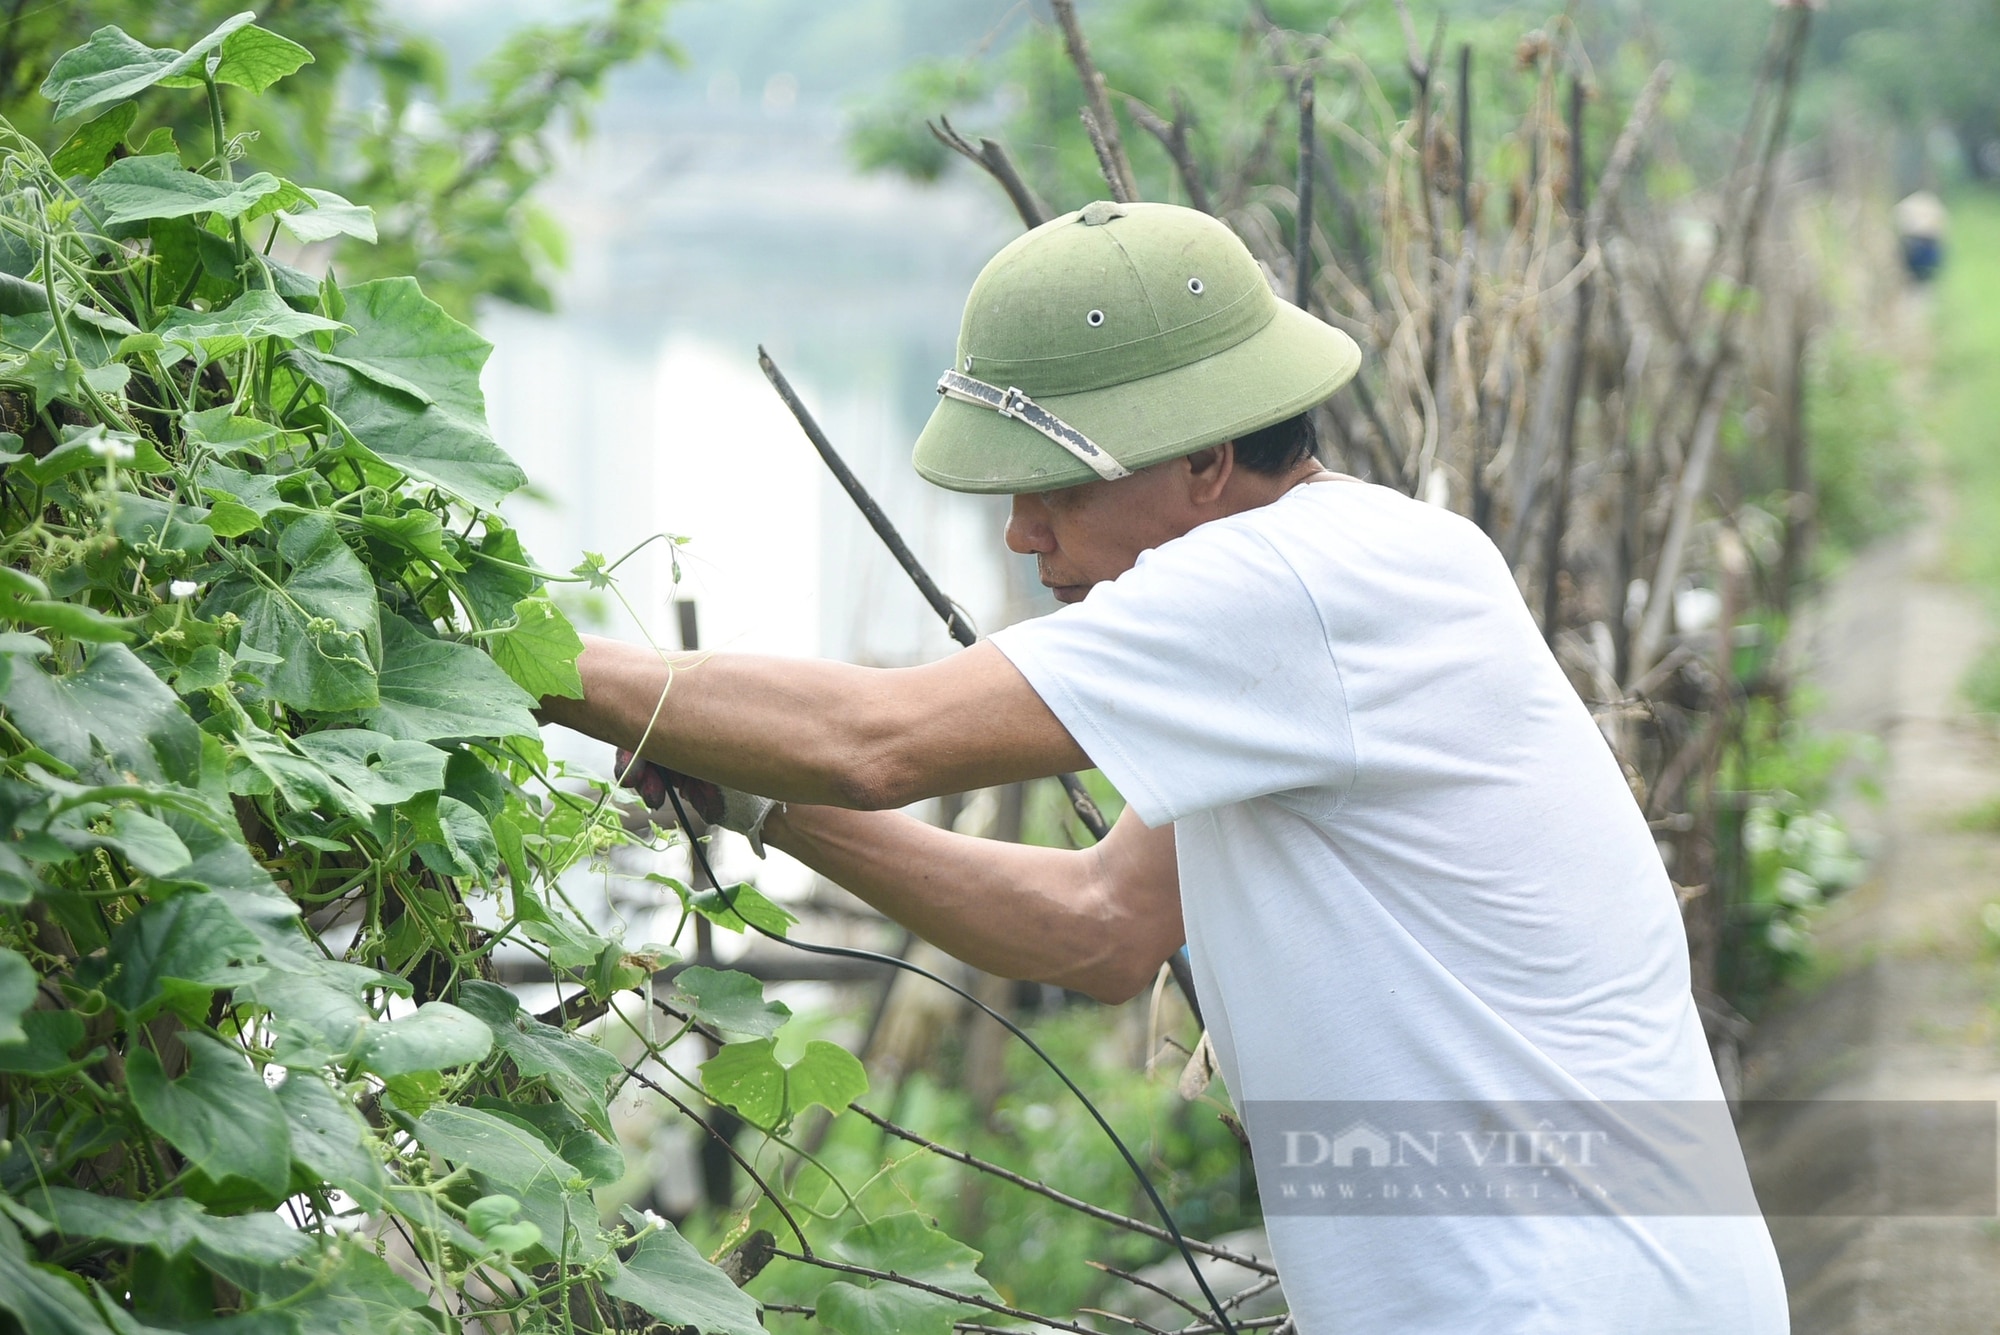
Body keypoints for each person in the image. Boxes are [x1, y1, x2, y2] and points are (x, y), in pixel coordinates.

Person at [539, 200, 1789, 1333]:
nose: (1022, 538)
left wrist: (511, 657)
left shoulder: (1286, 584)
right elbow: (1098, 926)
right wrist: (767, 803)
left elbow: (880, 741)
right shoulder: (1328, 598)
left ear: (1202, 466)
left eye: (1052, 493)